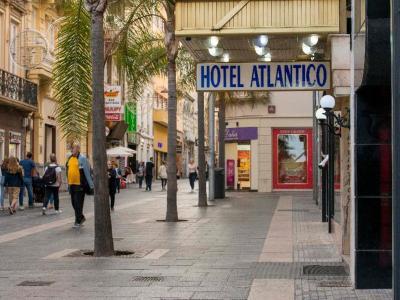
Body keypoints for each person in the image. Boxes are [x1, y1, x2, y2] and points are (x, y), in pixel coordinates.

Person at [66, 144, 94, 228]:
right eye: (71, 148)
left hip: (80, 185)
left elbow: (87, 172)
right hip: (72, 184)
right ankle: (81, 217)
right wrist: (68, 183)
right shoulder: (70, 158)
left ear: (78, 149)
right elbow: (68, 171)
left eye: (73, 148)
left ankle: (78, 221)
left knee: (78, 203)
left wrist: (91, 185)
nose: (71, 150)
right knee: (73, 203)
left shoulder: (82, 158)